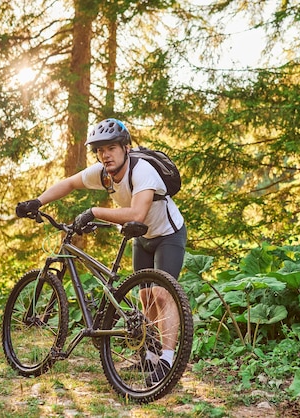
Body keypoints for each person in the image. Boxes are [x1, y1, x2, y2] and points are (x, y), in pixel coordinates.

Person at [15, 118, 187, 385]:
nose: (104, 155)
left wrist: (94, 212)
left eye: (111, 148)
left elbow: (138, 215)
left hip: (168, 234)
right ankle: (150, 358)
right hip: (141, 239)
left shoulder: (142, 172)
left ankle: (167, 360)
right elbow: (70, 183)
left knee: (162, 295)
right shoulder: (104, 173)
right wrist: (38, 201)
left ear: (125, 148)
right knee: (145, 297)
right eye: (99, 150)